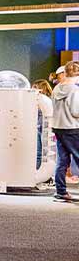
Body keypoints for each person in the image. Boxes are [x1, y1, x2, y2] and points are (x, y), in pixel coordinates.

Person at [50, 61, 79, 202]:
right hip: (72, 128)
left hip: (58, 127)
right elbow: (76, 111)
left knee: (62, 161)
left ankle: (61, 191)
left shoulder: (56, 89)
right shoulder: (75, 90)